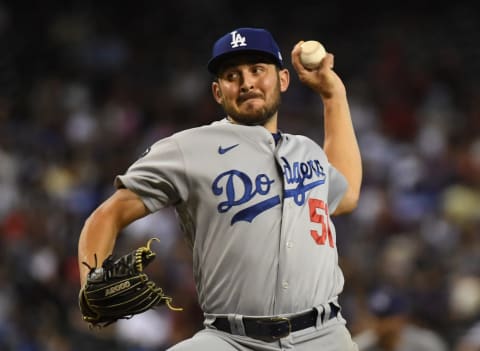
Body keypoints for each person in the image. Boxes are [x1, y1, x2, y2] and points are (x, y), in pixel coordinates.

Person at [78, 27, 362, 350]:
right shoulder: (188, 148)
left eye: (257, 70)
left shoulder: (306, 150)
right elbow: (108, 214)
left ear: (283, 80)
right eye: (232, 75)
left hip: (324, 335)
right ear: (218, 92)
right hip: (231, 339)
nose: (247, 83)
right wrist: (91, 279)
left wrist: (333, 94)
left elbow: (347, 193)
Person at [353, 287, 449, 351]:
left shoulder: (425, 343)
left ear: (401, 318)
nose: (380, 323)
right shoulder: (366, 344)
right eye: (376, 318)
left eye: (386, 317)